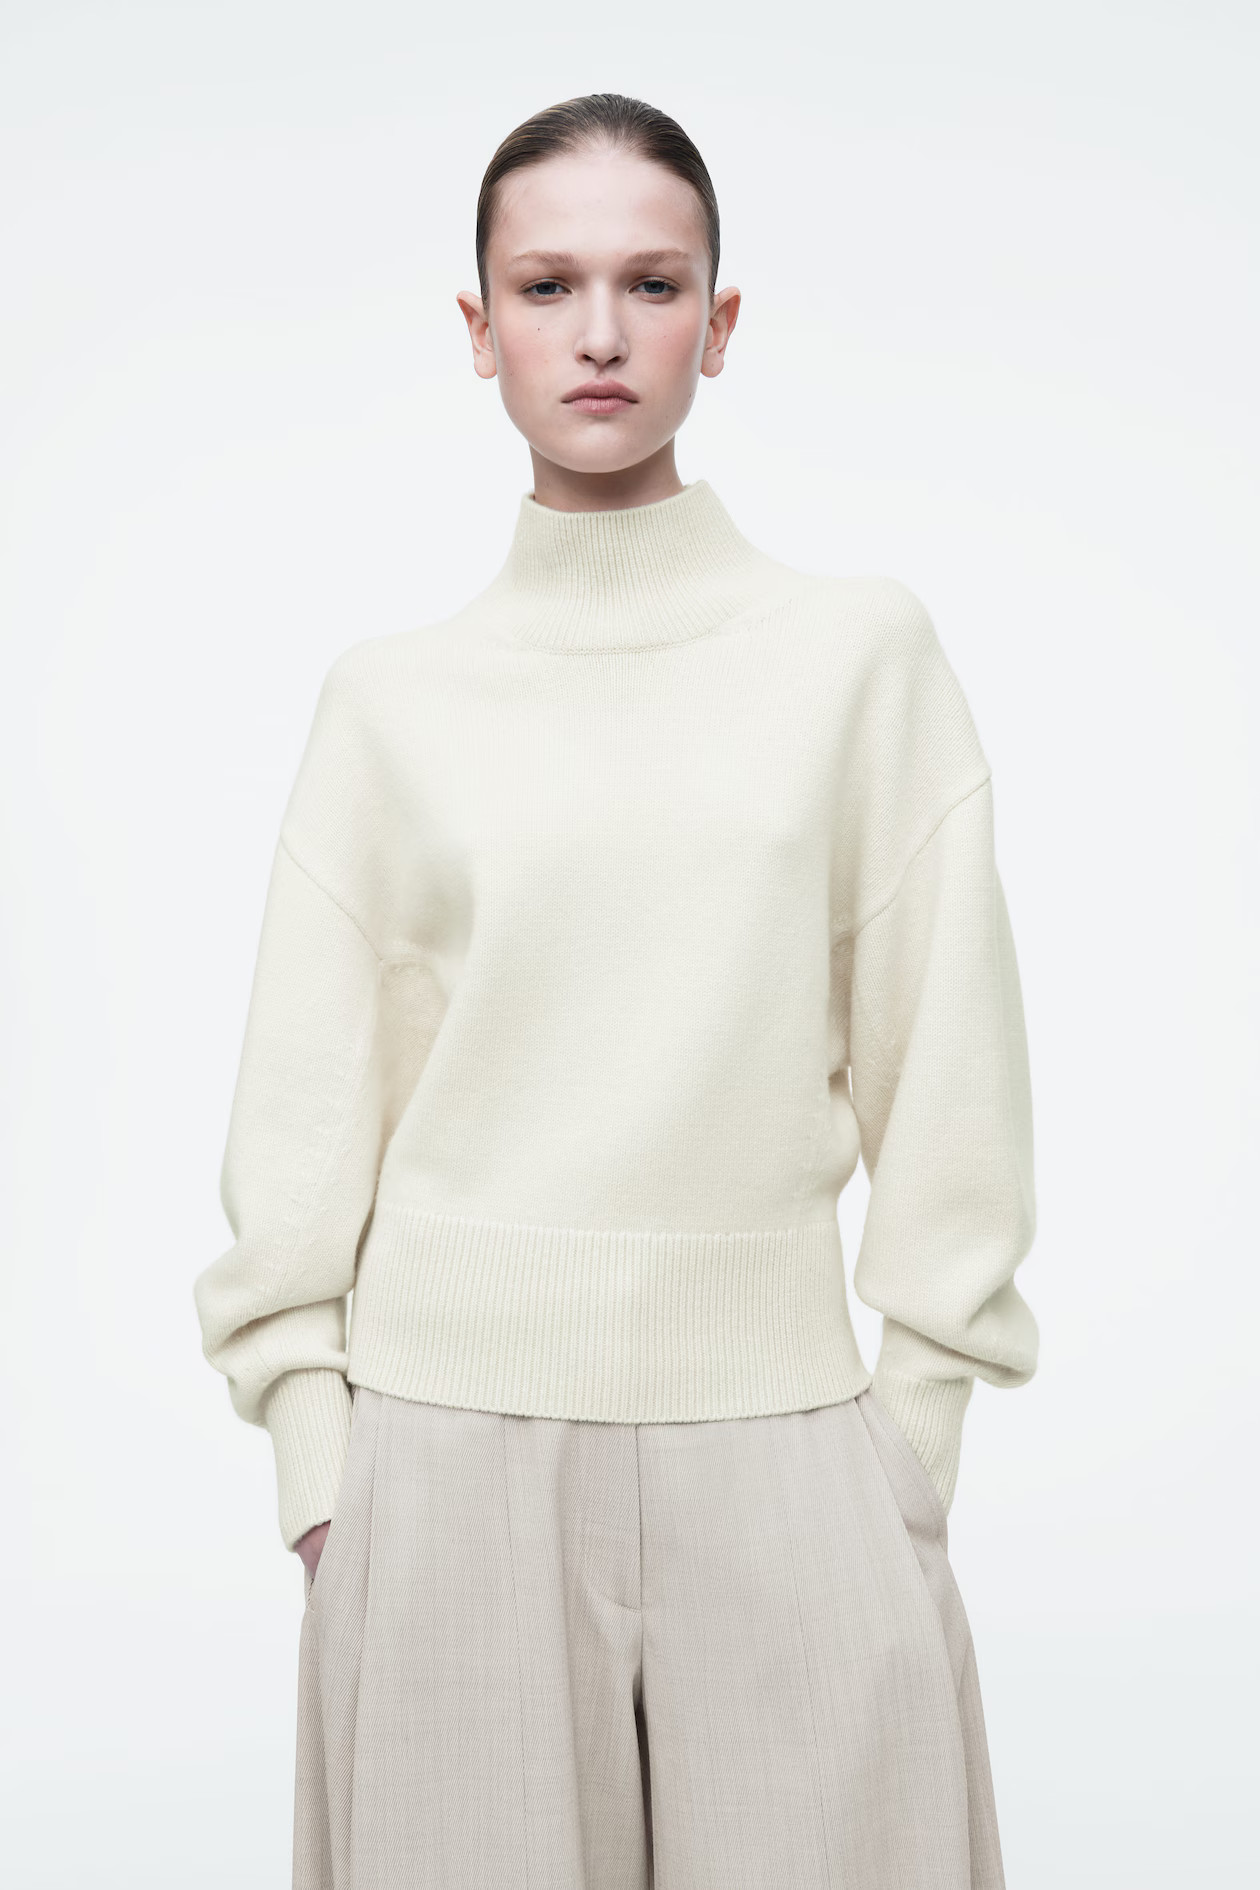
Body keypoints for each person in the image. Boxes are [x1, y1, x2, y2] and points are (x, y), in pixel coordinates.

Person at [193, 90, 1039, 1890]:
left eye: (651, 285)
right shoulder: (390, 704)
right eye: (546, 285)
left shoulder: (856, 656)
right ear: (477, 326)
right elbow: (305, 1105)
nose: (598, 333)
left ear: (719, 326)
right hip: (442, 1471)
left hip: (791, 1453)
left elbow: (949, 1061)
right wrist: (321, 1461)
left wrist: (912, 1441)